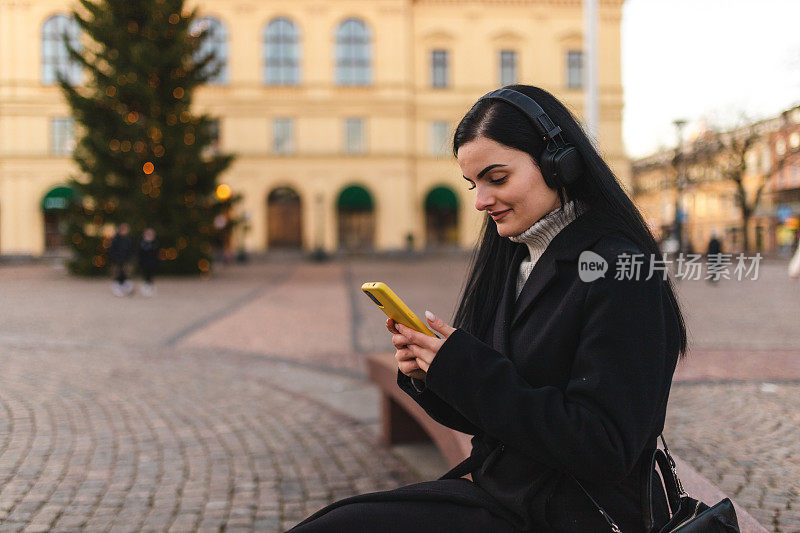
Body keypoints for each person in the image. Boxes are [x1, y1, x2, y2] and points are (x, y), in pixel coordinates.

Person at [290, 85, 687, 532]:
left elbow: (604, 447)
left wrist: (467, 370)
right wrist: (432, 374)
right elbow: (492, 412)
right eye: (473, 183)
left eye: (496, 179)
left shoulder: (619, 270)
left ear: (560, 162)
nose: (480, 200)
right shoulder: (515, 257)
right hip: (510, 498)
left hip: (580, 515)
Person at [108, 223, 134, 296]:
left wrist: (129, 258)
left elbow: (131, 249)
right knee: (117, 273)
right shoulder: (115, 239)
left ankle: (125, 286)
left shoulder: (129, 239)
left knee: (125, 273)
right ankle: (117, 286)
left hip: (126, 260)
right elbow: (112, 250)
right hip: (117, 259)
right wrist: (115, 258)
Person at [138, 228, 159, 296]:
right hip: (144, 263)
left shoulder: (155, 243)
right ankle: (145, 287)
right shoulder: (142, 243)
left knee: (151, 275)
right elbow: (140, 254)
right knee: (145, 275)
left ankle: (150, 287)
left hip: (152, 263)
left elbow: (156, 254)